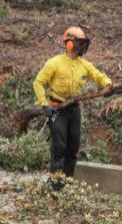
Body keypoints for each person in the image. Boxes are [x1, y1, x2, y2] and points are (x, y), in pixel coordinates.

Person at [33, 26, 113, 190]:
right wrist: (44, 105)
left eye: (84, 43)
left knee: (72, 148)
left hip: (74, 109)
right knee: (59, 148)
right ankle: (56, 186)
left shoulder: (84, 65)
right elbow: (38, 82)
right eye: (80, 43)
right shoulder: (54, 63)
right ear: (69, 43)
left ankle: (66, 183)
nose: (82, 47)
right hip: (57, 109)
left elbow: (98, 75)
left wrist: (108, 85)